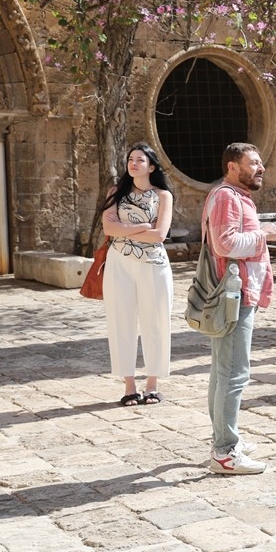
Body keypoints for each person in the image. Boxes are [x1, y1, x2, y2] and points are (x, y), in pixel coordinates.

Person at [206, 143, 276, 475]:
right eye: (254, 162)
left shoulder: (234, 196)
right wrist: (262, 234)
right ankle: (225, 451)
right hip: (234, 296)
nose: (261, 168)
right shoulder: (227, 197)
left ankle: (223, 438)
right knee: (233, 373)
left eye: (261, 162)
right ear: (233, 167)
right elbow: (225, 243)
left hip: (237, 294)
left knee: (222, 371)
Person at [101, 143, 174, 407]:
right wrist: (143, 225)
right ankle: (129, 386)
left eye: (140, 160)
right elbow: (108, 228)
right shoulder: (116, 192)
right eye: (131, 159)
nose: (133, 163)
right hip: (119, 263)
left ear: (151, 167)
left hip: (153, 264)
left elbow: (160, 235)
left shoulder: (163, 196)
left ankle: (152, 385)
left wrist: (125, 228)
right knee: (121, 321)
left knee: (156, 321)